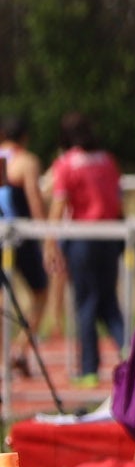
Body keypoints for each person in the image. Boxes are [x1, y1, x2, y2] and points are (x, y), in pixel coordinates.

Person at [46, 113, 125, 386]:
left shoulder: (66, 164)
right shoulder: (107, 160)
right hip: (111, 235)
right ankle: (128, 352)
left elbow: (59, 204)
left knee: (86, 304)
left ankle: (89, 370)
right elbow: (119, 201)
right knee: (110, 303)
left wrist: (49, 241)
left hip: (83, 238)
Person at [0, 115, 51, 375]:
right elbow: (34, 199)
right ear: (25, 137)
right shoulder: (26, 161)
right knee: (41, 294)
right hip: (20, 236)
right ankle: (17, 349)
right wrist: (47, 237)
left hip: (5, 235)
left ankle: (7, 354)